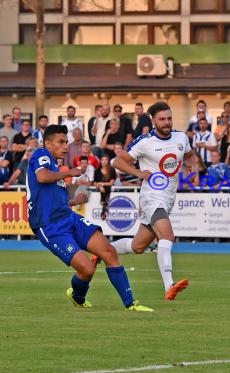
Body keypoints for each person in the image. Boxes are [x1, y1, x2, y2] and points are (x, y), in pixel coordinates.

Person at [26, 124, 152, 311]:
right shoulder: (41, 155)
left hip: (68, 217)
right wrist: (70, 173)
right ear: (48, 143)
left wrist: (73, 201)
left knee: (109, 251)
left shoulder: (54, 165)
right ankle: (78, 296)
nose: (65, 146)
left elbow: (48, 198)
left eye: (66, 142)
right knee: (87, 269)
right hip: (50, 227)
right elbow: (42, 177)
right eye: (61, 142)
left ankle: (131, 304)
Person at [111, 102, 197, 300]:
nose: (166, 123)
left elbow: (191, 156)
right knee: (167, 235)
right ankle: (169, 285)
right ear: (153, 120)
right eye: (162, 119)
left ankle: (103, 250)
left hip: (168, 198)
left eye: (169, 118)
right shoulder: (144, 141)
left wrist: (193, 168)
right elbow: (118, 161)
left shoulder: (181, 137)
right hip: (151, 196)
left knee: (138, 247)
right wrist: (139, 172)